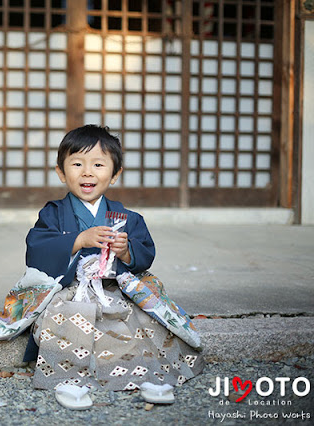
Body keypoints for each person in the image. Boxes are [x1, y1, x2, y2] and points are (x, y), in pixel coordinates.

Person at [24, 124, 203, 392]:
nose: (87, 172)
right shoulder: (53, 213)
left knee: (141, 324)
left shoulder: (128, 218)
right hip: (72, 292)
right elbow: (36, 249)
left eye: (98, 164)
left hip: (114, 291)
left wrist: (126, 251)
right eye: (76, 164)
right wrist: (78, 241)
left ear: (115, 174)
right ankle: (69, 380)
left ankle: (147, 376)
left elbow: (145, 254)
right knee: (66, 323)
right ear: (61, 172)